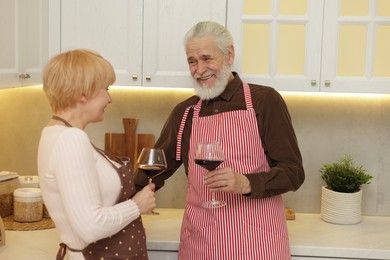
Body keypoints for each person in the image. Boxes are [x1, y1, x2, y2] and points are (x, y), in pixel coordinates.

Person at [135, 21, 305, 259]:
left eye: (207, 58)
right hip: (202, 243)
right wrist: (114, 206)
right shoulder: (184, 113)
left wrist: (245, 182)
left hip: (257, 243)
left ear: (229, 54)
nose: (199, 69)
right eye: (192, 61)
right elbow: (153, 172)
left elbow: (293, 172)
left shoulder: (264, 101)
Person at [38, 49, 156, 260]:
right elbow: (91, 227)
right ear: (83, 94)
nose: (109, 99)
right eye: (105, 89)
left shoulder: (57, 133)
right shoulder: (71, 139)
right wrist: (137, 204)